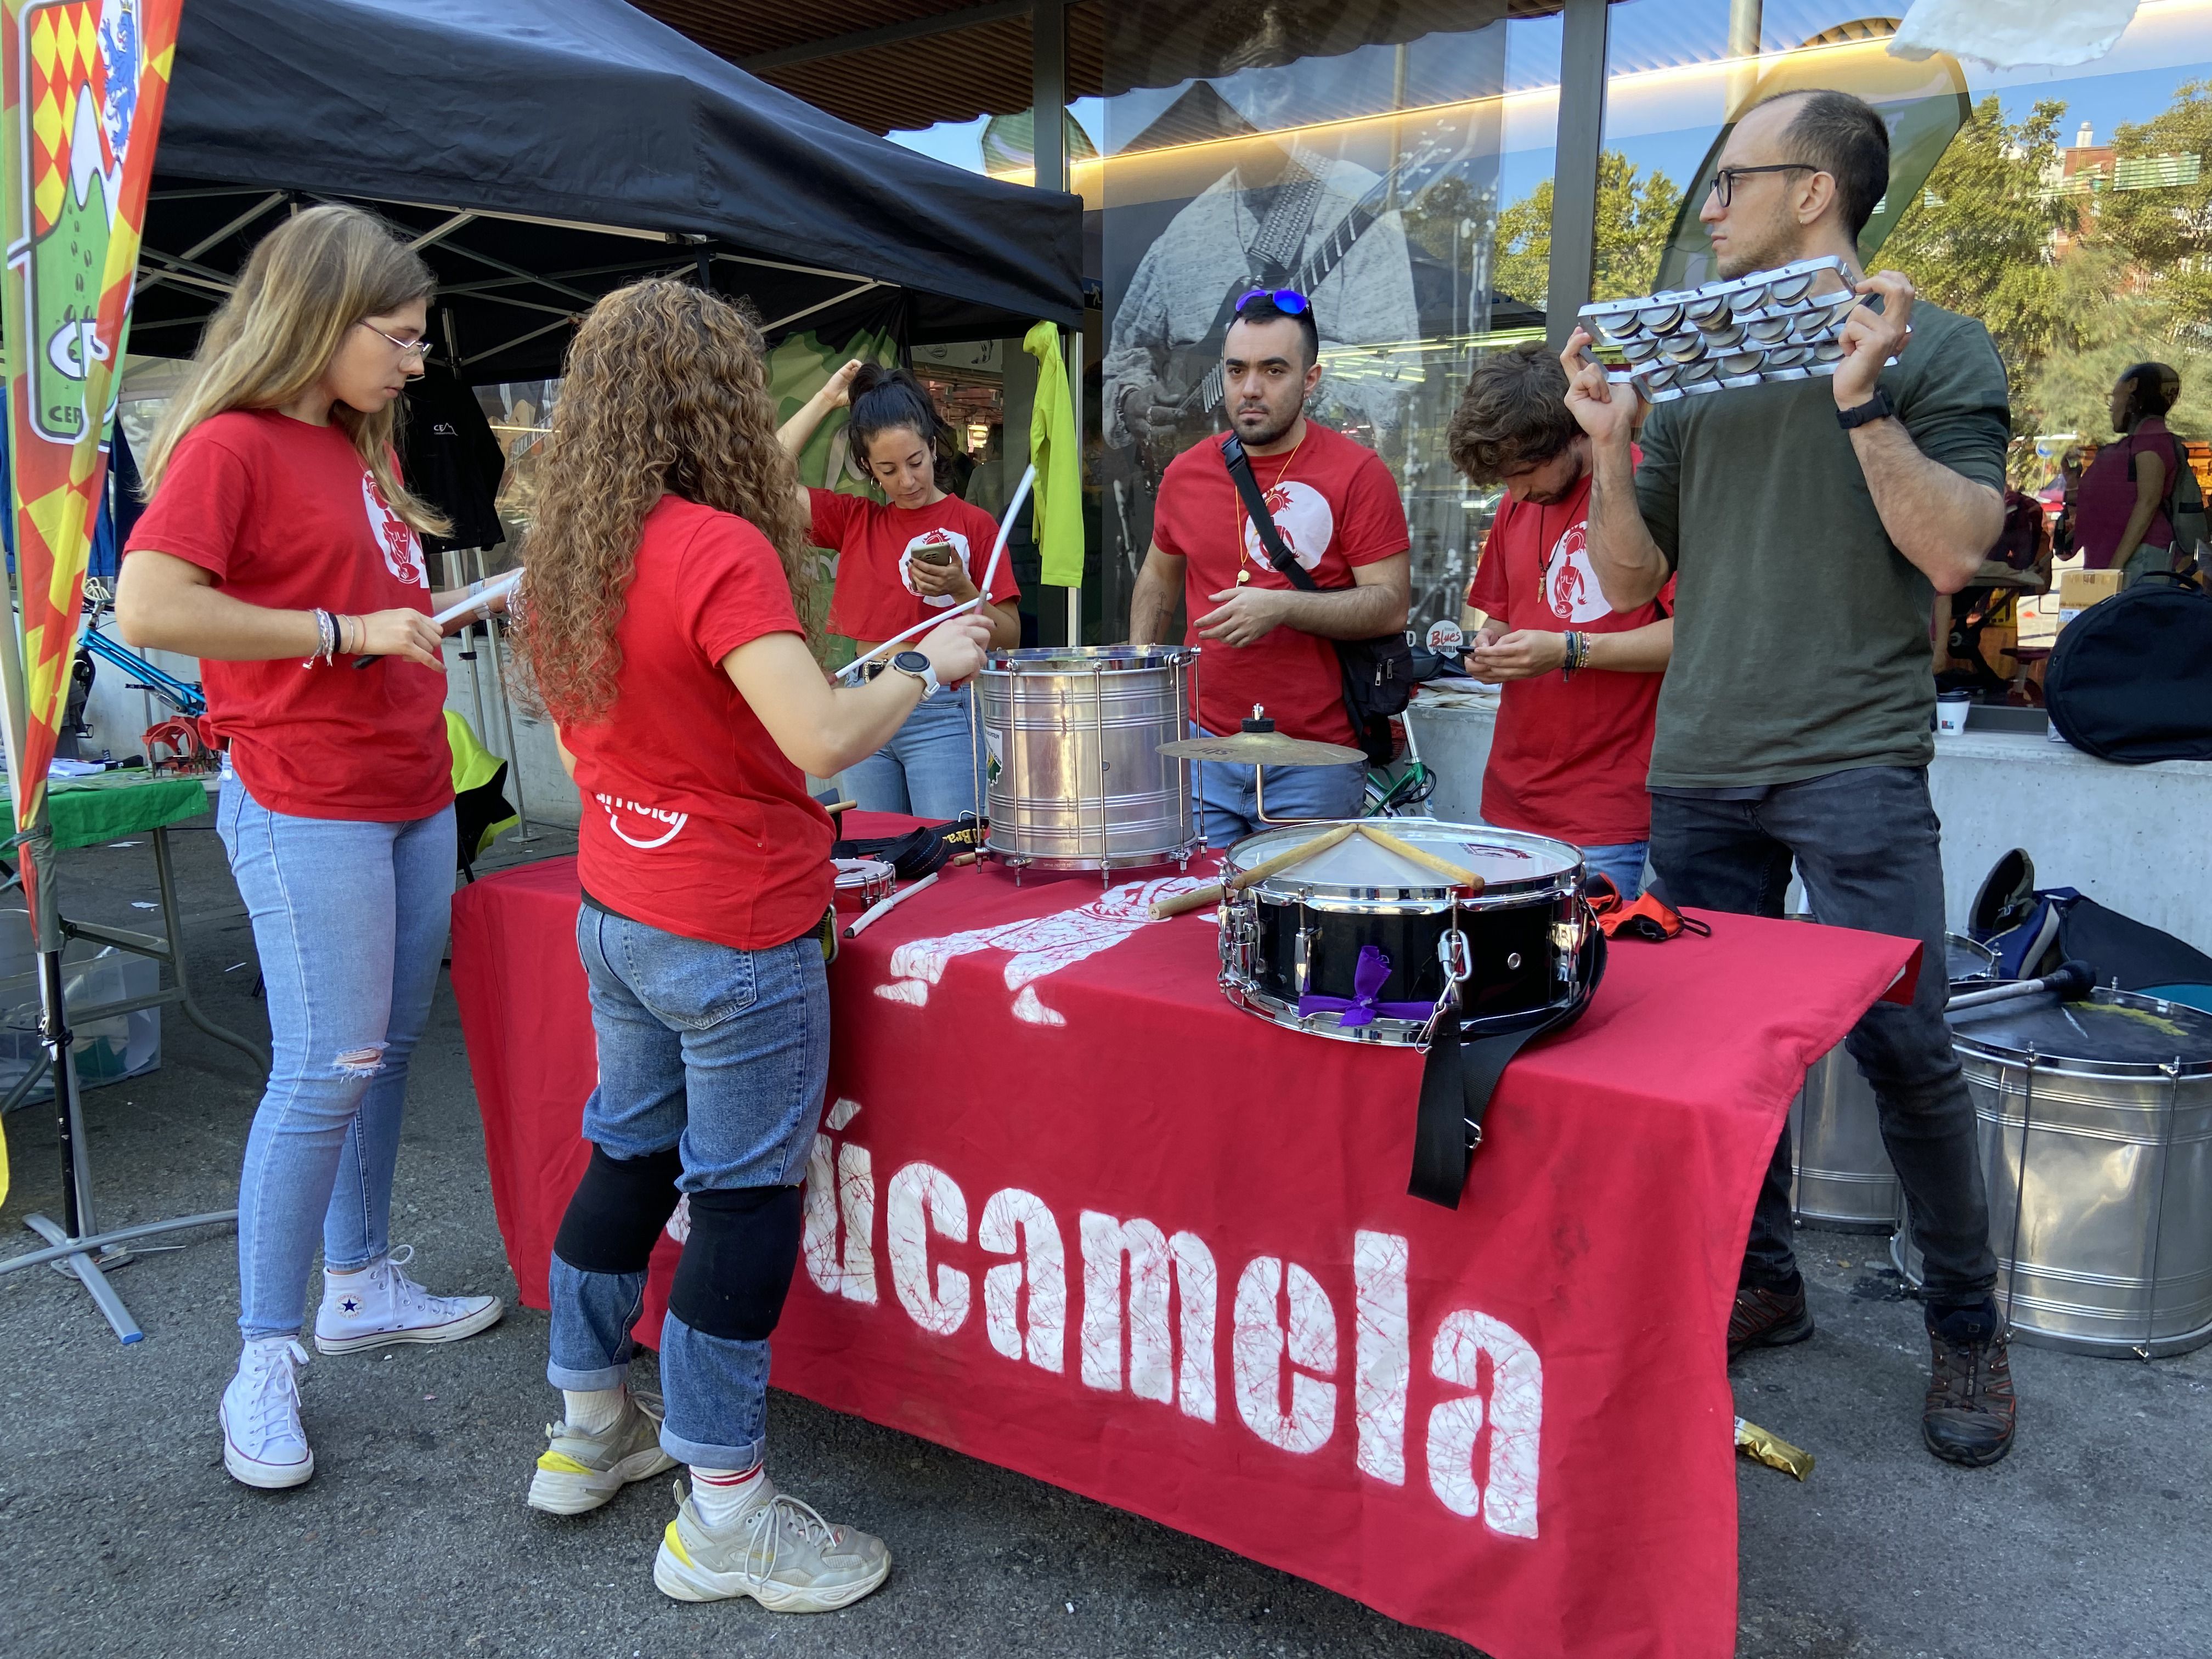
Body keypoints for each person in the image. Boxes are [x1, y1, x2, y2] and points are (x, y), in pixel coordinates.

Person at [507, 279, 991, 1611]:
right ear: (720, 400)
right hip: (735, 924)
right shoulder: (719, 551)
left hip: (622, 905)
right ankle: (725, 1511)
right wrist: (932, 668)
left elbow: (577, 741)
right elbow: (824, 740)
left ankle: (588, 1426)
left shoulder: (570, 547)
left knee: (626, 1150)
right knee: (737, 1200)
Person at [1560, 88, 2019, 1466]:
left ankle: (1968, 1326)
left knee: (1907, 1048)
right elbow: (1636, 581)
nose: (1706, 209)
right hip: (1700, 761)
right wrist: (1604, 445)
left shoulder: (1932, 347)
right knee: (1705, 1059)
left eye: (1727, 183)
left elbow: (1955, 552)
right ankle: (1765, 1282)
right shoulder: (1696, 375)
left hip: (1854, 758)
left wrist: (1862, 402)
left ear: (1814, 191)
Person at [116, 204, 505, 1492]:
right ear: (321, 319)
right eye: (397, 337)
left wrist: (412, 619)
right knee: (326, 1066)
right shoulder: (232, 443)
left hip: (405, 787)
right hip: (305, 795)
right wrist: (342, 634)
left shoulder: (348, 447)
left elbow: (350, 606)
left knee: (382, 1050)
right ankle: (264, 1358)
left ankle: (358, 1284)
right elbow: (154, 603)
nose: (414, 360)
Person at [1126, 290, 1411, 844]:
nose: (1250, 388)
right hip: (1200, 750)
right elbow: (1160, 574)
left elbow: (1389, 604)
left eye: (1273, 370)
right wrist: (1144, 678)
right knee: (1197, 922)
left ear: (1311, 379)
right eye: (1237, 370)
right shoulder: (1186, 472)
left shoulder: (1358, 473)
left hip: (1317, 760)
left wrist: (1283, 606)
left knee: (1299, 929)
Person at [1446, 342, 1674, 898]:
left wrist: (1569, 649)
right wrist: (1489, 649)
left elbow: (1694, 637)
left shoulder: (1650, 486)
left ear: (1574, 431)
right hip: (1508, 799)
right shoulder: (1515, 502)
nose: (1516, 492)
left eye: (1524, 472)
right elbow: (1503, 614)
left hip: (1605, 811)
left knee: (1592, 977)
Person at [778, 362, 1019, 819]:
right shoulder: (857, 521)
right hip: (862, 703)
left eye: (915, 462)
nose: (907, 482)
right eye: (888, 469)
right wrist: (827, 399)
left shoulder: (974, 525)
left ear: (932, 446)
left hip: (942, 708)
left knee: (951, 857)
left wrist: (963, 588)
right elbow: (762, 485)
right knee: (878, 854)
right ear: (867, 466)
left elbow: (1010, 635)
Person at [2076, 361, 2183, 586]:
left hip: (2138, 562)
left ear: (2133, 387)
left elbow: (2148, 501)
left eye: (2114, 397)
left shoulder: (2150, 441)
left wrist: (2115, 566)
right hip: (2126, 559)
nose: (2112, 407)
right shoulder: (2138, 442)